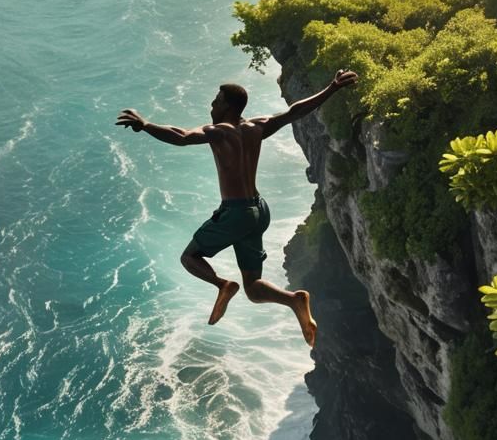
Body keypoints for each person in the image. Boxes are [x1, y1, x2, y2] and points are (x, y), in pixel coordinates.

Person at [116, 70, 358, 346]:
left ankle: (222, 285)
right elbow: (295, 111)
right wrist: (332, 87)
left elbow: (181, 135)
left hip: (236, 212)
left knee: (189, 258)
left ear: (227, 107)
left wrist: (145, 125)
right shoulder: (258, 126)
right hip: (259, 211)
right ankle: (294, 300)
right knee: (253, 288)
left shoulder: (218, 132)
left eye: (216, 101)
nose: (211, 105)